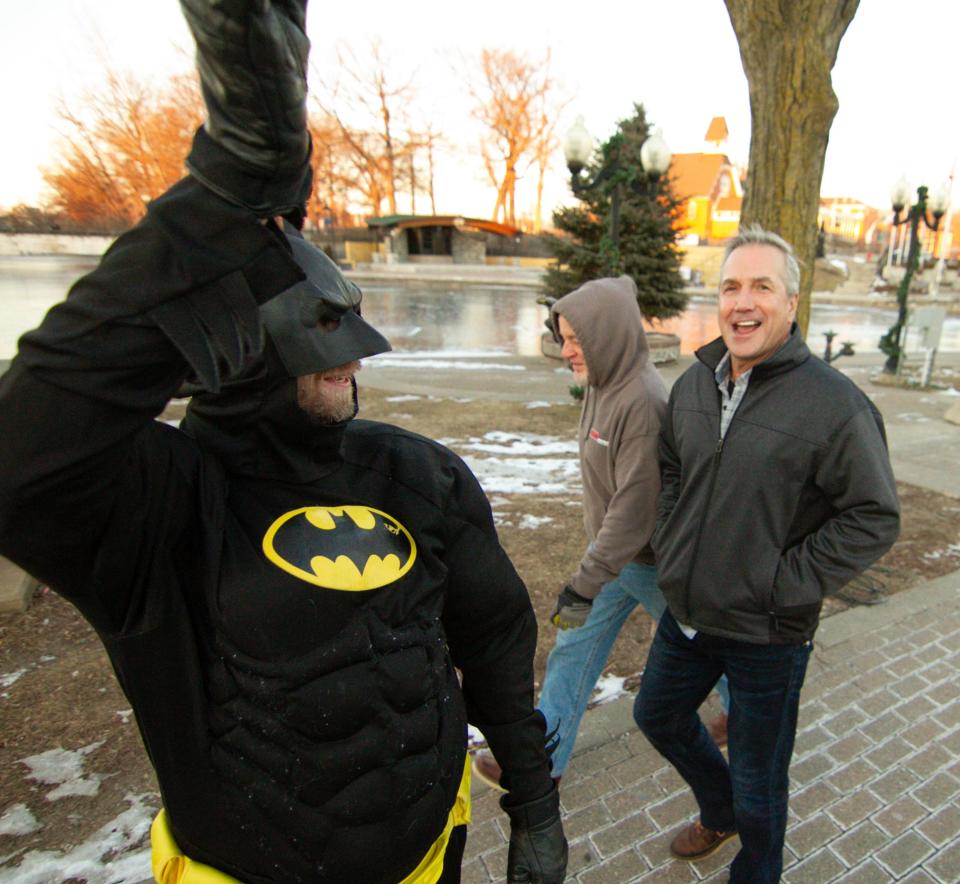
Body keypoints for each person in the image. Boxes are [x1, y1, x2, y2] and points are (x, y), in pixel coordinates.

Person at [0, 3, 567, 883]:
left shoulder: (418, 476)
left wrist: (534, 806)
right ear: (238, 345)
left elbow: (492, 643)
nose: (349, 358)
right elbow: (21, 456)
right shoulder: (161, 506)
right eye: (319, 333)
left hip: (431, 854)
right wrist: (214, 210)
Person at [633, 226, 900, 882]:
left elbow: (874, 515)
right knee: (656, 715)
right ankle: (718, 811)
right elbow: (672, 470)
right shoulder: (694, 385)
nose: (742, 302)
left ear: (791, 303)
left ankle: (756, 870)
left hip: (768, 634)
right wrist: (670, 544)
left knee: (761, 780)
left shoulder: (835, 406)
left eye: (761, 287)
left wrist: (781, 582)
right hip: (690, 612)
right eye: (730, 286)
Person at [472, 277, 729, 791]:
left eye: (575, 339)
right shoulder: (603, 383)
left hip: (650, 563)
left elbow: (635, 510)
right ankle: (543, 759)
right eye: (561, 337)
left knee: (706, 650)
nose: (565, 351)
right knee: (574, 648)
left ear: (607, 335)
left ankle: (745, 709)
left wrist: (585, 582)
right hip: (617, 561)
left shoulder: (642, 403)